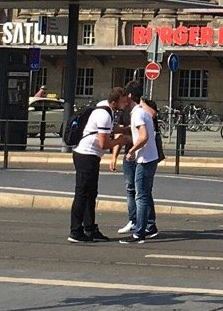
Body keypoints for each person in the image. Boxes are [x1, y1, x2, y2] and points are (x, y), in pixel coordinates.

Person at [69, 86, 129, 243]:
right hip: (86, 155)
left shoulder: (105, 108)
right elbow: (103, 144)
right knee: (82, 193)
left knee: (91, 193)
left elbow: (109, 129)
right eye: (123, 101)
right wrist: (120, 141)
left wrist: (126, 129)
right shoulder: (104, 115)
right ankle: (75, 231)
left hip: (91, 156)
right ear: (115, 102)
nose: (126, 103)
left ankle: (90, 229)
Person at [113, 84, 163, 241]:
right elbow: (136, 131)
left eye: (123, 96)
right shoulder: (139, 112)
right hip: (148, 157)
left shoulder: (138, 114)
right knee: (144, 194)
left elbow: (143, 137)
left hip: (145, 158)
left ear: (128, 96)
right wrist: (118, 130)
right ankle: (148, 227)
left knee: (140, 196)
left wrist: (131, 151)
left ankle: (139, 232)